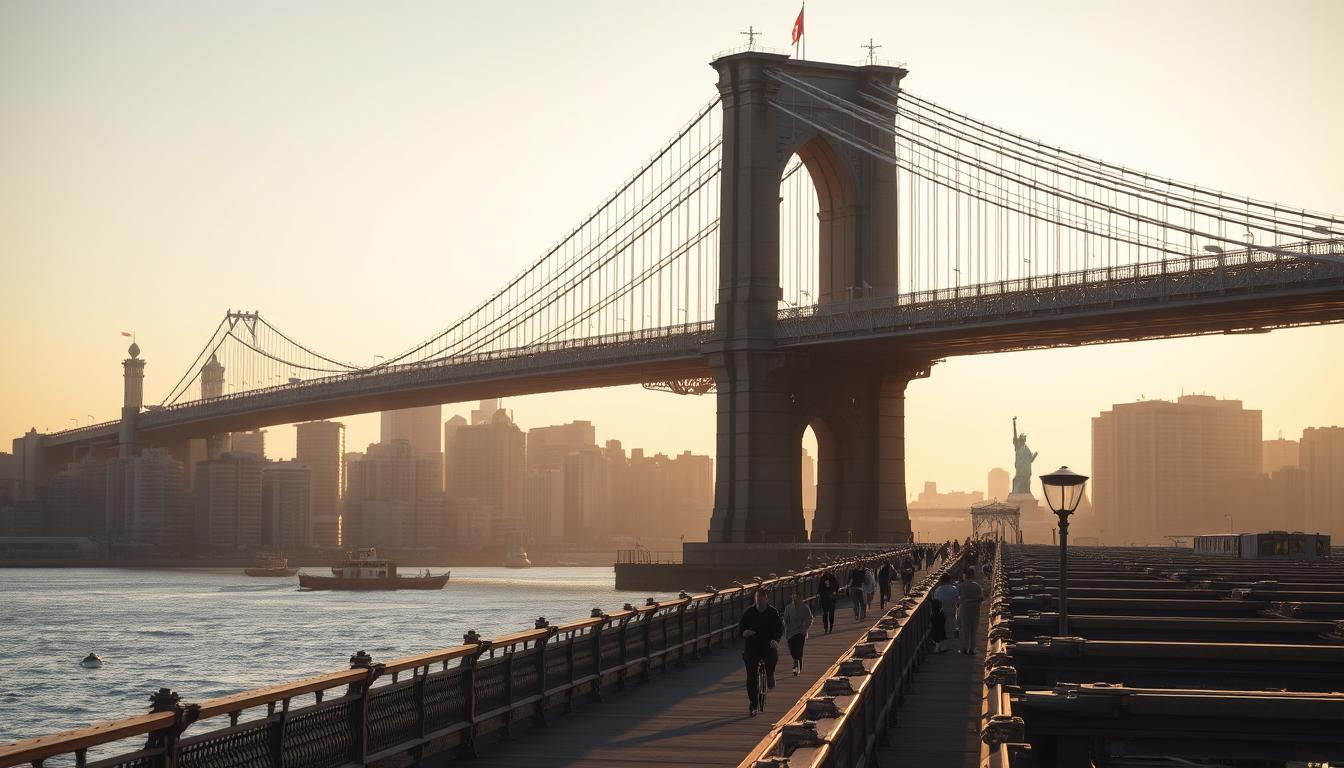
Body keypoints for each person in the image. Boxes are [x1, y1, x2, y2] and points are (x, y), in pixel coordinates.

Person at [740, 588, 784, 716]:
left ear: (766, 598)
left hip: (767, 645)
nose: (758, 600)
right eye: (756, 598)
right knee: (751, 677)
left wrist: (775, 640)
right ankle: (753, 704)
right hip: (752, 647)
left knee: (773, 657)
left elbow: (779, 629)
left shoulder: (772, 612)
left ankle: (770, 674)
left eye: (760, 597)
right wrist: (745, 632)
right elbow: (741, 629)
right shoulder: (749, 612)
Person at [782, 591, 814, 675]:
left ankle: (797, 668)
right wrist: (785, 622)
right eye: (793, 597)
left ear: (800, 598)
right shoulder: (788, 607)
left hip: (800, 632)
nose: (795, 599)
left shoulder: (805, 607)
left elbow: (810, 618)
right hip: (790, 632)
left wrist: (805, 625)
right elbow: (785, 618)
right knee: (792, 650)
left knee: (799, 650)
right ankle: (796, 661)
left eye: (796, 597)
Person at [929, 573, 960, 654]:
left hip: (940, 612)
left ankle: (939, 646)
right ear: (949, 580)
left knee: (940, 629)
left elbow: (935, 600)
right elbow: (957, 599)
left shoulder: (938, 589)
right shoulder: (954, 588)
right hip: (951, 610)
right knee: (949, 628)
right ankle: (945, 646)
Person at [958, 568, 984, 655]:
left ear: (965, 576)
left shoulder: (961, 586)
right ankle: (972, 650)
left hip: (965, 610)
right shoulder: (977, 586)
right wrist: (975, 600)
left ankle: (965, 649)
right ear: (973, 575)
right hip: (975, 610)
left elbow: (960, 599)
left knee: (965, 630)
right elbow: (981, 598)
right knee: (973, 631)